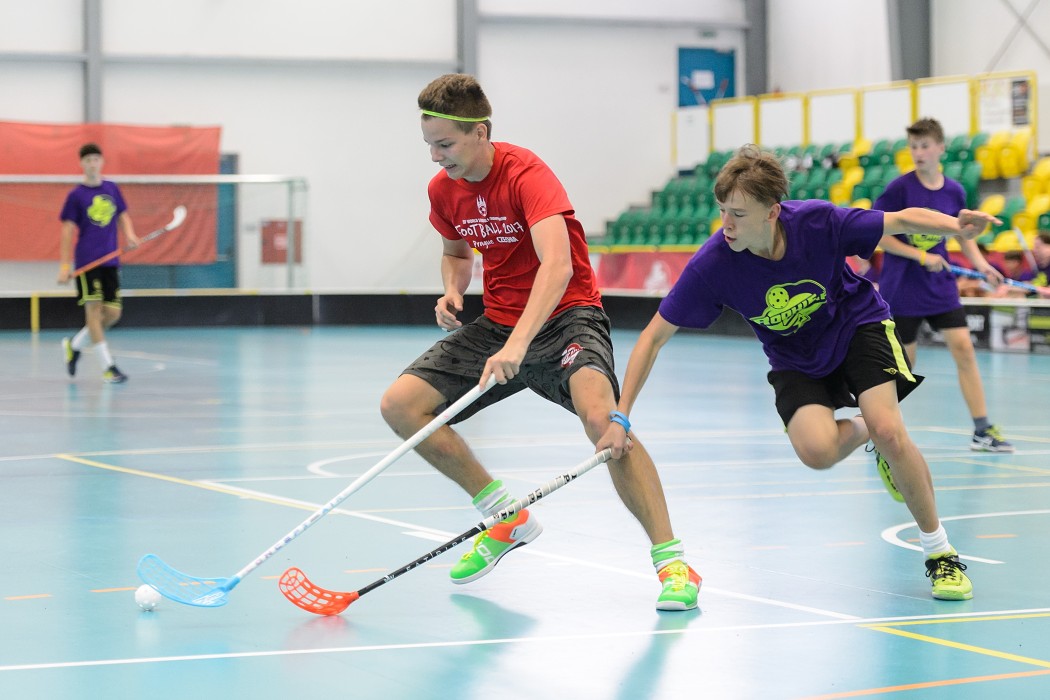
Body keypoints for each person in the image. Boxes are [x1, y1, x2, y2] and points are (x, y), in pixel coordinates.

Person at [597, 144, 1001, 601]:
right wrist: (621, 415)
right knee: (817, 452)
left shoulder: (817, 222)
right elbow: (652, 337)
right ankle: (868, 430)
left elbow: (900, 220)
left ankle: (940, 553)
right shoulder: (714, 263)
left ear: (772, 212)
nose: (726, 224)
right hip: (794, 358)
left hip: (856, 325)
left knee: (891, 429)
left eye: (738, 214)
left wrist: (956, 226)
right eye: (722, 210)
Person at [378, 74, 700, 611]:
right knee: (400, 406)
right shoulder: (443, 190)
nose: (435, 157)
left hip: (567, 317)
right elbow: (456, 252)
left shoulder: (526, 173)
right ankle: (505, 518)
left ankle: (674, 565)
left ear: (480, 132)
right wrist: (453, 290)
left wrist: (518, 344)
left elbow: (559, 265)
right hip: (500, 323)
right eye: (429, 145)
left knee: (605, 424)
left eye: (445, 144)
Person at [873, 118, 1012, 452]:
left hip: (939, 285)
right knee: (905, 365)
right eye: (914, 147)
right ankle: (878, 429)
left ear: (940, 148)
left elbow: (962, 234)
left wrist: (982, 266)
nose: (918, 153)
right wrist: (921, 256)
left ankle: (982, 430)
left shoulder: (955, 191)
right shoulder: (899, 189)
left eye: (924, 146)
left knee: (964, 349)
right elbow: (878, 235)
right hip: (903, 286)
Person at [57, 143, 140, 383]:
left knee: (112, 314)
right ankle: (108, 367)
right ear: (81, 164)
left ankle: (74, 345)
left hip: (110, 260)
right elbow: (67, 231)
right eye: (88, 160)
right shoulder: (76, 195)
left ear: (101, 162)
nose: (92, 164)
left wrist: (130, 236)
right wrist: (65, 266)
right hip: (87, 262)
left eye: (96, 159)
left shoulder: (112, 188)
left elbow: (122, 215)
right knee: (93, 313)